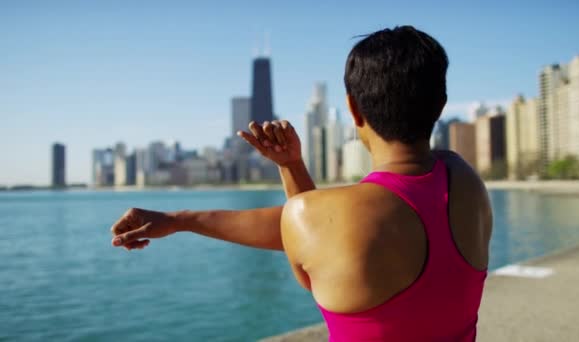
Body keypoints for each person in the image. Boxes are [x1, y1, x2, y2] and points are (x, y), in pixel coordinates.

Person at [110, 26, 492, 341]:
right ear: (441, 105)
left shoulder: (325, 218)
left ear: (354, 109)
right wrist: (292, 166)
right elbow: (322, 234)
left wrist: (180, 220)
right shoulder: (465, 182)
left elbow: (317, 247)